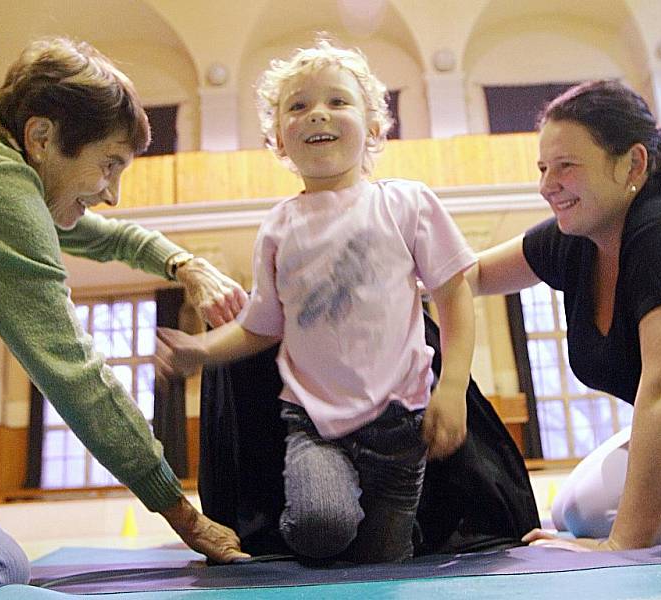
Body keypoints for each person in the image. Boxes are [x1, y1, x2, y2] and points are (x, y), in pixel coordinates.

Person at [156, 38, 476, 563]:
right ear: (278, 139)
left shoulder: (406, 203)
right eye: (298, 107)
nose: (316, 115)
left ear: (374, 128)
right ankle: (312, 523)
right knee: (319, 528)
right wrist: (202, 350)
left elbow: (455, 296)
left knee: (384, 562)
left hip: (399, 424)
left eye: (337, 101)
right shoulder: (280, 227)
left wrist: (454, 385)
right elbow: (261, 326)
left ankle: (401, 535)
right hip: (313, 424)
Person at [0, 37, 251, 594]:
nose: (113, 193)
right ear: (42, 137)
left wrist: (183, 264)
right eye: (109, 165)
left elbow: (100, 235)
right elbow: (73, 372)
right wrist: (184, 515)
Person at [468, 79, 661, 551]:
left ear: (633, 163)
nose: (547, 186)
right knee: (572, 506)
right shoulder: (578, 236)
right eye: (544, 168)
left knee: (596, 513)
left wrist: (620, 546)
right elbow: (474, 274)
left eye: (566, 166)